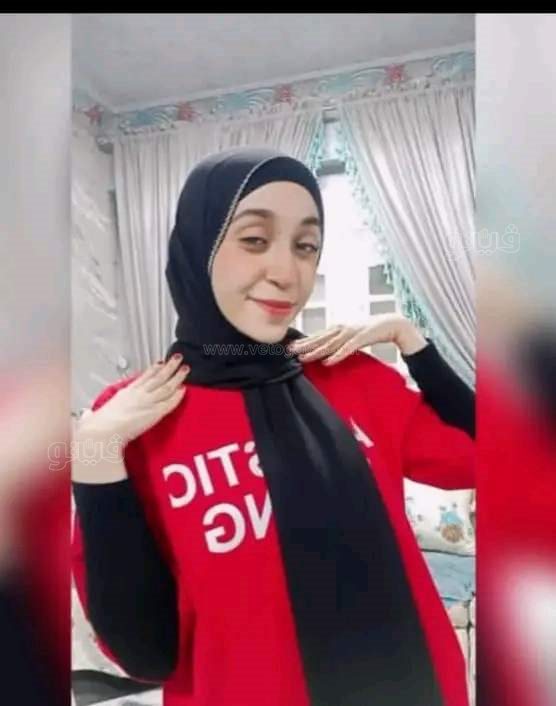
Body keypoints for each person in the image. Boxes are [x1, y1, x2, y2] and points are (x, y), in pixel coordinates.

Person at [72, 147, 475, 706]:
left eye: (306, 246)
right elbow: (144, 652)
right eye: (255, 239)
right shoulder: (133, 415)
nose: (287, 274)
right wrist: (93, 456)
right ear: (198, 245)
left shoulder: (350, 378)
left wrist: (413, 341)